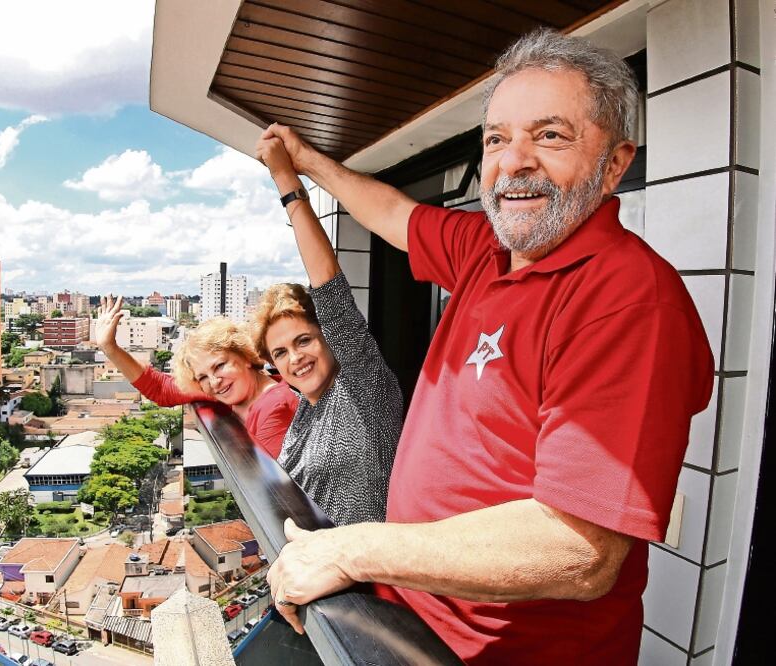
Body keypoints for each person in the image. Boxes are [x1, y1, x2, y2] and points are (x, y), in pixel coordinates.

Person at [262, 29, 714, 664]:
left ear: (615, 164)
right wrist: (307, 163)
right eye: (497, 139)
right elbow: (391, 212)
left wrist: (352, 547)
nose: (515, 159)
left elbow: (578, 549)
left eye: (549, 135)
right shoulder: (487, 249)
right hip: (411, 623)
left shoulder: (631, 299)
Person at [248, 137, 404, 527]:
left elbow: (329, 288)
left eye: (304, 340)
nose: (295, 358)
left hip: (372, 582)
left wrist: (286, 181)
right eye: (280, 352)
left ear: (329, 336)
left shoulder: (362, 388)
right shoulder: (305, 410)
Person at [92, 297, 296, 458]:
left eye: (220, 365)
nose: (215, 381)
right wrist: (110, 348)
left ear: (245, 356)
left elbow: (279, 494)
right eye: (203, 377)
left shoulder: (275, 407)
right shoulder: (229, 389)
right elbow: (161, 389)